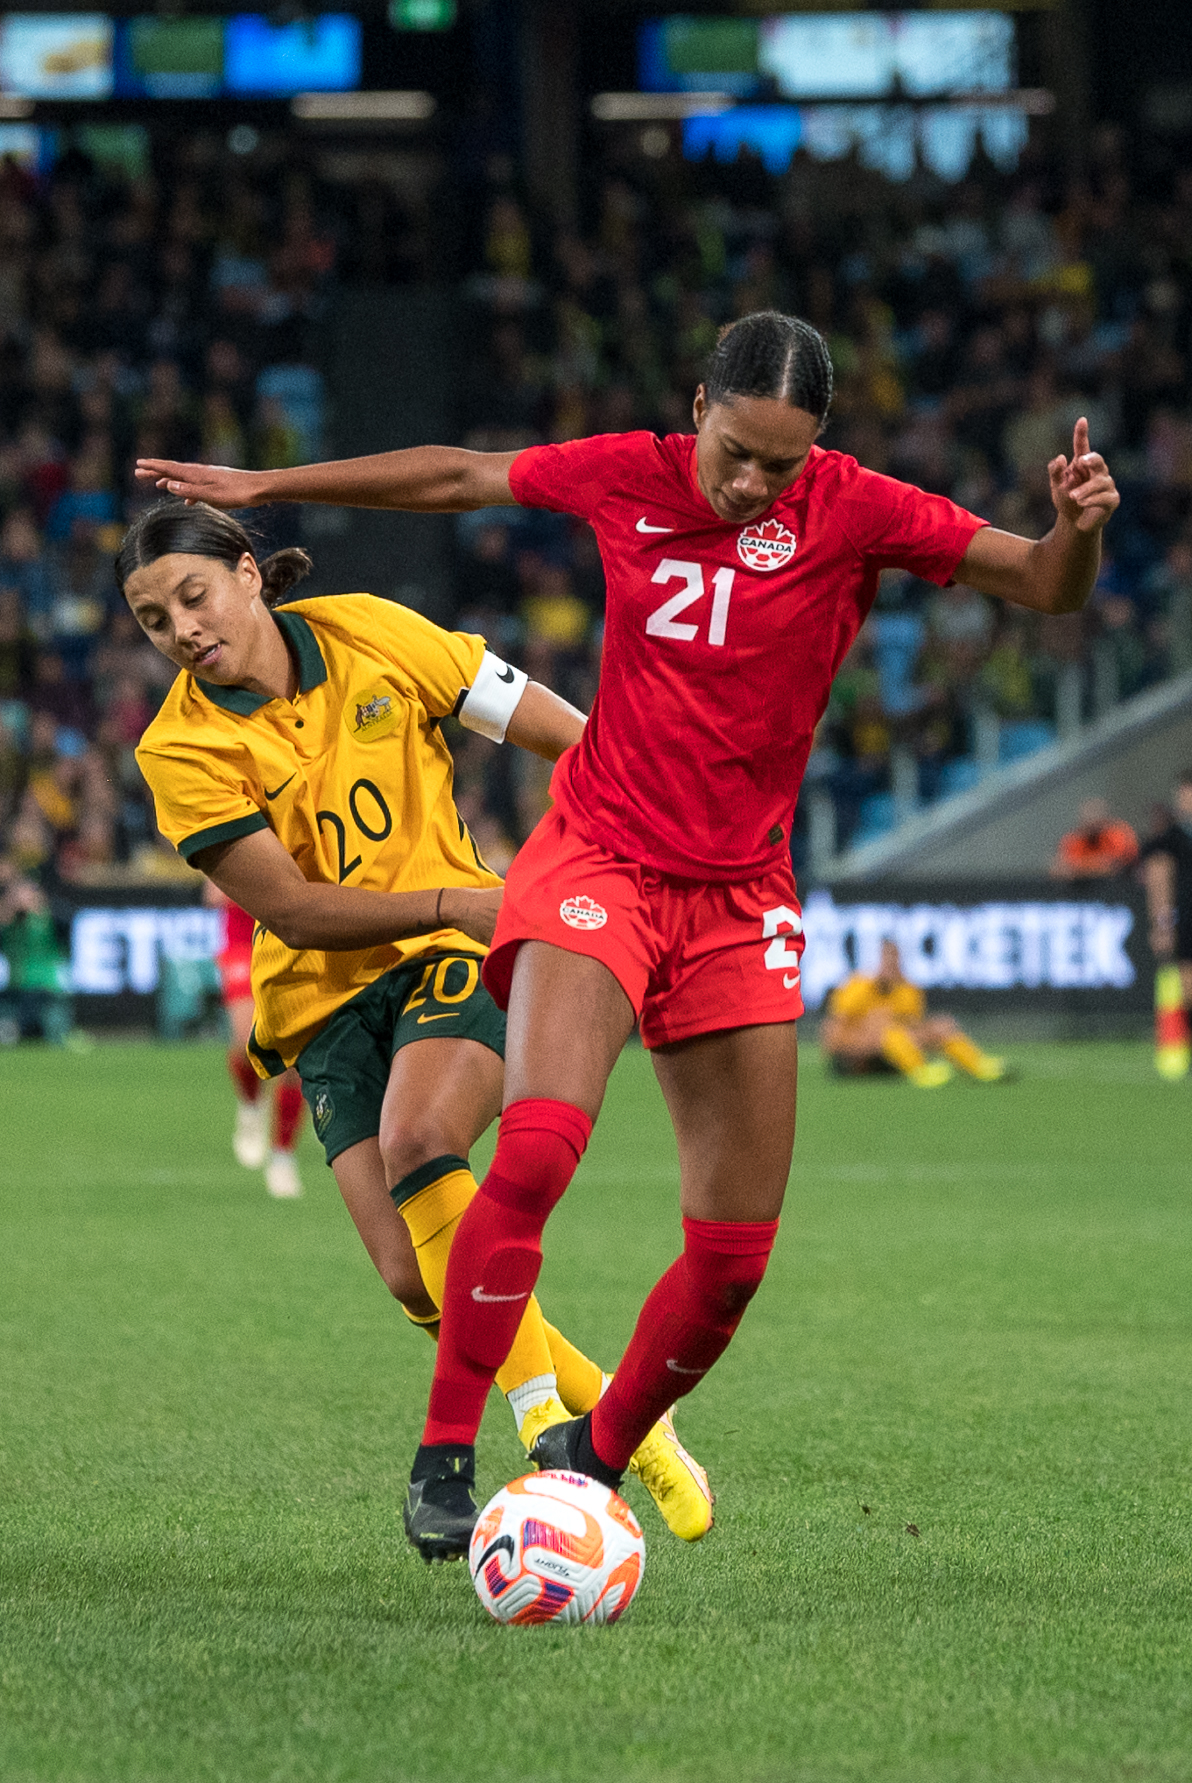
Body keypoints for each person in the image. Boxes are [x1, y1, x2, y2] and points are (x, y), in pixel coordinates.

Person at [137, 306, 1121, 1564]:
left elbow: (1042, 585)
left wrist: (1076, 534)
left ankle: (591, 1460)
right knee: (536, 1148)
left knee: (730, 1261)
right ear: (698, 405)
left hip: (738, 895)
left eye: (781, 460)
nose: (752, 480)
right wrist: (274, 481)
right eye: (736, 450)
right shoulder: (630, 475)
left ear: (814, 446)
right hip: (596, 858)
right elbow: (459, 475)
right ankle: (446, 1456)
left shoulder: (858, 508)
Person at [119, 500, 713, 1547]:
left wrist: (632, 793)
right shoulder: (178, 747)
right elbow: (295, 908)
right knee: (410, 1273)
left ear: (250, 574)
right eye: (153, 619)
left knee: (421, 1138)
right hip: (324, 995)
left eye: (193, 594)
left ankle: (540, 1430)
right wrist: (452, 899)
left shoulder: (371, 631)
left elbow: (530, 713)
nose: (181, 628)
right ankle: (631, 1419)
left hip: (455, 954)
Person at [203, 879, 307, 1198]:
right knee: (247, 1041)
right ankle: (251, 1105)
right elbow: (212, 893)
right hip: (242, 942)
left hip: (290, 942)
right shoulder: (234, 828)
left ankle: (282, 1155)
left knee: (294, 1057)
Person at [820, 938, 1008, 1087]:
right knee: (888, 1032)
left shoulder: (908, 990)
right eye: (887, 959)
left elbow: (913, 1028)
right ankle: (919, 1071)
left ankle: (979, 1066)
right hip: (858, 1060)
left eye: (895, 959)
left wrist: (932, 1031)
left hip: (893, 1056)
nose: (891, 965)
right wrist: (867, 1040)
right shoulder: (856, 987)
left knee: (939, 1026)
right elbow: (833, 1034)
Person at [1139, 768, 1192, 1078]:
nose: (1185, 802)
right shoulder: (1169, 840)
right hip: (1187, 918)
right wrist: (1162, 925)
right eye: (1182, 796)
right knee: (1187, 986)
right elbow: (1159, 882)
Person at [1050, 797, 1139, 879]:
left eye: (1095, 815)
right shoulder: (1075, 839)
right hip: (1083, 891)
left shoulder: (1118, 834)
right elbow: (1060, 868)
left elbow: (1112, 866)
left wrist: (1078, 868)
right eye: (1087, 817)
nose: (1091, 822)